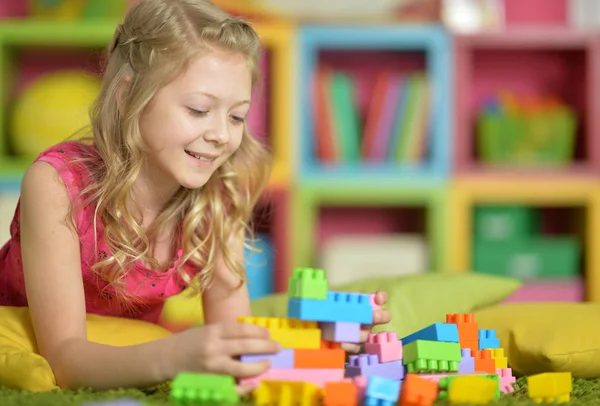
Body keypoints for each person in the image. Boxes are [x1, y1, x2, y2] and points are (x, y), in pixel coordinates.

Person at [0, 0, 390, 393]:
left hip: (131, 349)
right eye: (199, 110)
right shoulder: (56, 186)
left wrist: (323, 343)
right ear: (127, 97)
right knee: (35, 378)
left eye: (236, 116)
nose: (222, 134)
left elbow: (235, 341)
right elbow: (67, 361)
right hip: (19, 334)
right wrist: (174, 355)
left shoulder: (218, 197)